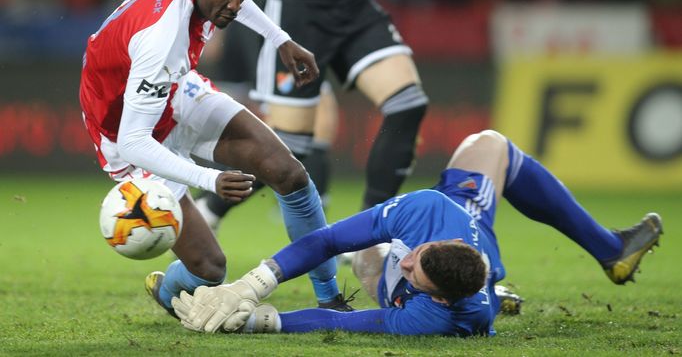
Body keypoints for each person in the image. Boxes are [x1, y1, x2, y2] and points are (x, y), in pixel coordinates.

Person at [79, 0, 347, 316]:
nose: (235, 5)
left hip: (175, 91)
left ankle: (330, 299)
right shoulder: (160, 40)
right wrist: (210, 178)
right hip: (125, 129)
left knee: (289, 174)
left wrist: (280, 39)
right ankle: (168, 290)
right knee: (209, 270)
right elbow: (136, 141)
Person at [170, 129, 663, 336]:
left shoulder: (434, 319)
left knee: (368, 258)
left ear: (439, 300)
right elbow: (327, 239)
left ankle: (499, 292)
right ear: (437, 243)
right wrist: (254, 283)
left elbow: (344, 325)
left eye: (414, 274)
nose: (406, 262)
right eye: (416, 257)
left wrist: (265, 322)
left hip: (472, 279)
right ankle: (609, 249)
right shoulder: (427, 213)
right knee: (491, 143)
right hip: (465, 217)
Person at [198, 0, 429, 232]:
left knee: (408, 104)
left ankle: (373, 231)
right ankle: (210, 207)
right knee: (291, 145)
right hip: (297, 14)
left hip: (352, 5)